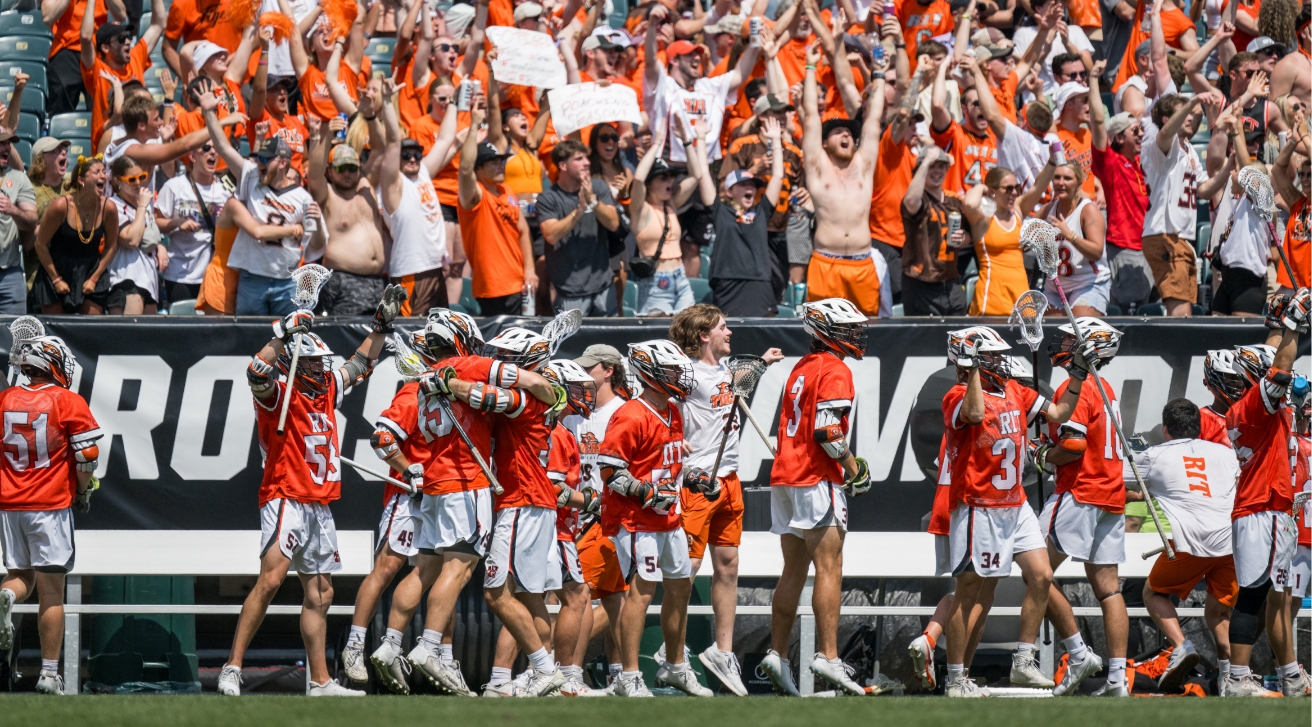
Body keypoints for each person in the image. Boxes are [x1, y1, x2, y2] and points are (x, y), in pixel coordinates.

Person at [216, 290, 402, 698]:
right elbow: (256, 374)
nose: (322, 368)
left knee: (321, 592)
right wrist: (282, 332)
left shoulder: (326, 390)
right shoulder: (279, 396)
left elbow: (359, 364)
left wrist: (380, 327)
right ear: (296, 364)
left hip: (319, 502)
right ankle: (232, 667)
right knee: (270, 581)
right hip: (286, 496)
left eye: (322, 363)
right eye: (314, 362)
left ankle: (320, 682)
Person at [368, 314, 559, 697]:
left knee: (428, 568)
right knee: (459, 569)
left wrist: (448, 382)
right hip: (467, 481)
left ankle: (393, 644)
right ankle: (429, 646)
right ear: (460, 339)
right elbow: (540, 385)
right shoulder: (470, 364)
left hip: (435, 482)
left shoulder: (422, 382)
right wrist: (461, 377)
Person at [938, 325, 1088, 697]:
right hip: (980, 504)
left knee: (1041, 575)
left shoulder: (1014, 390)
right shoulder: (956, 395)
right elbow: (973, 413)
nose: (999, 362)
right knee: (968, 591)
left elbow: (1058, 410)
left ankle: (1023, 660)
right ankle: (956, 678)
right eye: (989, 356)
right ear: (970, 359)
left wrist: (1077, 374)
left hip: (1015, 503)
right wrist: (972, 368)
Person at [339, 312, 477, 687]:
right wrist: (409, 468)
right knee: (389, 567)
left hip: (438, 490)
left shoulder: (445, 388)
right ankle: (358, 645)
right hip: (409, 493)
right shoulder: (413, 390)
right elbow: (382, 437)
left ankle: (440, 656)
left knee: (439, 572)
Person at [668, 305, 782, 696]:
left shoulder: (724, 368)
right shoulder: (683, 371)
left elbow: (740, 381)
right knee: (684, 573)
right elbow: (661, 409)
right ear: (703, 335)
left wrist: (763, 363)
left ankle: (723, 650)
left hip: (730, 477)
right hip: (698, 482)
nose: (730, 331)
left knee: (729, 566)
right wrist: (674, 441)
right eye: (723, 327)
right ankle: (674, 658)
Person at [760, 298, 872, 697]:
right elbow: (828, 432)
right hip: (814, 475)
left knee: (793, 569)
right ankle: (828, 655)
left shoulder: (801, 366)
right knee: (829, 566)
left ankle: (777, 653)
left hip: (785, 475)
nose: (857, 335)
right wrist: (853, 468)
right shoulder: (835, 368)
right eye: (849, 329)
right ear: (828, 331)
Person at [598, 339, 715, 698]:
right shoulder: (631, 414)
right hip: (635, 520)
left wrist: (693, 478)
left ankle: (676, 666)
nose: (679, 377)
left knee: (681, 587)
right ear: (650, 373)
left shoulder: (674, 412)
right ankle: (630, 675)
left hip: (670, 519)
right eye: (671, 371)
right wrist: (648, 494)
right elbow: (609, 472)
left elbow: (669, 464)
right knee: (643, 590)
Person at [0, 337, 103, 696]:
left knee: (19, 579)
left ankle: (6, 599)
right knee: (51, 593)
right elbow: (88, 453)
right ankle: (48, 674)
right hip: (50, 504)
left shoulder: (5, 399)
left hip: (10, 505)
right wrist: (81, 487)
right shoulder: (66, 400)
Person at [1221, 296, 1312, 697]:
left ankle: (1289, 674)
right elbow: (1281, 368)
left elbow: (1276, 366)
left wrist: (1278, 322)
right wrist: (1293, 326)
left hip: (1265, 508)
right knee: (1256, 597)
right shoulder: (1253, 407)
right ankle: (1238, 678)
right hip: (1263, 508)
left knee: (1273, 597)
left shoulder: (1251, 409)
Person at [1035, 319, 1130, 697]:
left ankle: (1078, 653)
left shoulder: (1076, 387)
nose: (1062, 342)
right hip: (1110, 495)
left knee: (1035, 573)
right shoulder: (1105, 386)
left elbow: (1072, 447)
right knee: (1109, 591)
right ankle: (1118, 680)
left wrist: (1043, 455)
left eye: (1071, 338)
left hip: (1080, 492)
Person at [476, 328, 569, 698]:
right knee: (531, 596)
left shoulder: (524, 398)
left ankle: (545, 670)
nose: (500, 363)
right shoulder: (537, 393)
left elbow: (478, 392)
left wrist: (445, 379)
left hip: (522, 500)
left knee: (496, 593)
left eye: (508, 357)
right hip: (533, 502)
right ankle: (537, 671)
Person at [1136, 398, 1240, 694]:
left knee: (1153, 592)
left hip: (1192, 542)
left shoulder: (1154, 455)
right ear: (1198, 426)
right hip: (1230, 542)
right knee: (1218, 614)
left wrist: (1141, 495)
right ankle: (1232, 676)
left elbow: (1117, 483)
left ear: (1166, 429)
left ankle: (1182, 647)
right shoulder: (1224, 453)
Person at [202, 94, 324, 316]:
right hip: (252, 279)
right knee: (248, 343)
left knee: (286, 344)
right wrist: (209, 112)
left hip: (287, 282)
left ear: (283, 163)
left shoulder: (303, 198)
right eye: (260, 158)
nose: (260, 163)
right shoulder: (251, 178)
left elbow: (314, 243)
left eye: (267, 159)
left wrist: (314, 224)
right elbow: (223, 147)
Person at [801, 43, 891, 317]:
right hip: (825, 263)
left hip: (863, 264)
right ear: (825, 144)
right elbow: (809, 119)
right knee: (822, 334)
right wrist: (810, 67)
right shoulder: (818, 167)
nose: (846, 136)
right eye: (838, 132)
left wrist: (878, 75)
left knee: (867, 338)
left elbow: (873, 120)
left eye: (849, 133)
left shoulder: (863, 166)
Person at [568, 344, 630, 693]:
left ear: (608, 370)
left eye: (589, 369)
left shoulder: (625, 412)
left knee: (583, 592)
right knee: (613, 598)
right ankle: (621, 675)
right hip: (578, 513)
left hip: (608, 516)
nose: (583, 375)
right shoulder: (576, 412)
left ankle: (569, 672)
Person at [542, 359, 602, 697]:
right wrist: (589, 501)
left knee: (529, 600)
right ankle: (562, 676)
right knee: (576, 597)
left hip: (544, 525)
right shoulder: (557, 432)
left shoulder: (549, 425)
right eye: (577, 389)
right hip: (553, 526)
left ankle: (506, 676)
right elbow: (553, 489)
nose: (584, 396)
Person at [1141, 91, 1228, 317]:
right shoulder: (1157, 145)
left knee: (1185, 308)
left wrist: (1230, 168)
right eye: (1185, 114)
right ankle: (1176, 351)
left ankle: (1178, 352)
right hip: (1164, 233)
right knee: (1180, 309)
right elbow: (1166, 132)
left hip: (1181, 236)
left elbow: (1205, 191)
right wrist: (1193, 101)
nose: (1191, 118)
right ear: (1165, 118)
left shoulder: (1188, 149)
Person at [376, 82, 456, 316]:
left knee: (442, 335)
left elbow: (444, 138)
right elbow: (392, 142)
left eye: (416, 154)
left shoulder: (422, 174)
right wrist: (388, 101)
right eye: (406, 156)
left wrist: (455, 103)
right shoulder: (393, 185)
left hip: (434, 269)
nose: (413, 159)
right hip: (411, 272)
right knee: (413, 337)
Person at [457, 95, 536, 316]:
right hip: (493, 286)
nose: (501, 166)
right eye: (493, 162)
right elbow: (464, 170)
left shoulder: (506, 191)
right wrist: (473, 125)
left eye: (502, 161)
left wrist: (529, 270)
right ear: (479, 170)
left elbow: (523, 230)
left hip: (520, 283)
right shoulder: (474, 195)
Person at [699, 117, 785, 318]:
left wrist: (776, 141)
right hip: (728, 284)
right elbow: (703, 174)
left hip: (760, 283)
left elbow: (778, 176)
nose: (750, 188)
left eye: (753, 185)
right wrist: (701, 138)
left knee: (762, 340)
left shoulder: (761, 212)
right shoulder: (720, 211)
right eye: (744, 185)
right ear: (729, 191)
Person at [305, 109, 387, 317]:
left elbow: (380, 151)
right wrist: (327, 137)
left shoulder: (367, 187)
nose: (348, 173)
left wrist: (369, 116)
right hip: (344, 281)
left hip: (378, 282)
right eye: (342, 169)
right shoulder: (328, 195)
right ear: (330, 170)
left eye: (352, 167)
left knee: (378, 344)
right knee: (351, 343)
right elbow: (314, 174)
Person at [538, 139, 622, 316]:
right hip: (570, 293)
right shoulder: (548, 198)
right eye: (579, 159)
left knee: (609, 343)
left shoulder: (598, 187)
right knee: (570, 343)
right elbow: (551, 235)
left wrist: (593, 201)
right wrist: (580, 210)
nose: (587, 163)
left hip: (603, 288)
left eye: (586, 158)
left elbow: (613, 223)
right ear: (563, 165)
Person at [961, 163, 1055, 316]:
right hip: (992, 297)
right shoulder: (983, 218)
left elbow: (1038, 187)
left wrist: (1052, 161)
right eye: (1008, 188)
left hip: (1021, 295)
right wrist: (982, 188)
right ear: (992, 191)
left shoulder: (1017, 211)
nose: (1014, 193)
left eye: (1016, 187)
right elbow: (969, 203)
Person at [628, 126, 703, 316]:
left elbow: (696, 175)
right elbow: (638, 179)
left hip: (680, 276)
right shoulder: (641, 210)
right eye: (663, 178)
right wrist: (656, 144)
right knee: (657, 335)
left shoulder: (671, 205)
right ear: (650, 183)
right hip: (657, 282)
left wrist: (687, 141)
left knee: (689, 332)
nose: (670, 182)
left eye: (671, 177)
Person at [32, 155, 117, 315]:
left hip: (91, 270)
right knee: (54, 333)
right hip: (57, 270)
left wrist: (94, 278)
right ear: (81, 180)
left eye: (104, 172)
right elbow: (40, 244)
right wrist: (56, 279)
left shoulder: (109, 208)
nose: (103, 176)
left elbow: (111, 246)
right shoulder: (61, 206)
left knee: (92, 331)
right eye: (97, 172)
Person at [80, 0, 165, 148]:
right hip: (109, 146)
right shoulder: (97, 69)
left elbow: (158, 25)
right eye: (120, 39)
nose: (127, 41)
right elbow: (86, 38)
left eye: (128, 36)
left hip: (139, 141)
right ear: (105, 48)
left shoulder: (135, 57)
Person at [154, 142, 231, 304]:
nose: (212, 152)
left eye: (215, 148)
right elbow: (155, 222)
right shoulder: (175, 186)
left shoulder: (225, 189)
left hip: (214, 275)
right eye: (206, 148)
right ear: (192, 156)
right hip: (180, 275)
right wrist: (176, 223)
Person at [901, 145, 968, 316]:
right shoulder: (918, 197)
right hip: (922, 282)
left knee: (957, 337)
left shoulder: (954, 200)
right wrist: (925, 162)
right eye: (932, 166)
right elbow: (910, 202)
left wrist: (963, 238)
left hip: (951, 281)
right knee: (926, 340)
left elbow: (970, 235)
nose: (936, 170)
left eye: (941, 166)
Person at [1041, 163, 1109, 315]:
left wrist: (1070, 235)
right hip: (1055, 287)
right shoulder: (1048, 210)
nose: (1061, 182)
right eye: (1057, 177)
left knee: (1078, 334)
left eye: (1067, 178)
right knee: (1053, 336)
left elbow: (1096, 252)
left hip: (1087, 284)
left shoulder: (1088, 210)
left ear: (1079, 183)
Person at [105, 155, 164, 315]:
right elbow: (131, 239)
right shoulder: (113, 205)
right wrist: (143, 206)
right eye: (132, 179)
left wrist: (159, 247)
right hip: (126, 280)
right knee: (127, 337)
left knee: (148, 338)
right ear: (117, 181)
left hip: (149, 282)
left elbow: (148, 236)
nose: (138, 183)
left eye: (141, 177)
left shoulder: (144, 207)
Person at [0, 129, 37, 314]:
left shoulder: (19, 178)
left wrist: (12, 209)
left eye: (8, 143)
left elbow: (32, 221)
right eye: (1, 143)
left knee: (14, 337)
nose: (5, 147)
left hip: (9, 273)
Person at [1272, 126, 1310, 291]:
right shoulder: (1298, 203)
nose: (1305, 179)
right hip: (1289, 286)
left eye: (1310, 175)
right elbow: (1277, 170)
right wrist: (1293, 142)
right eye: (1302, 175)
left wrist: (1305, 135)